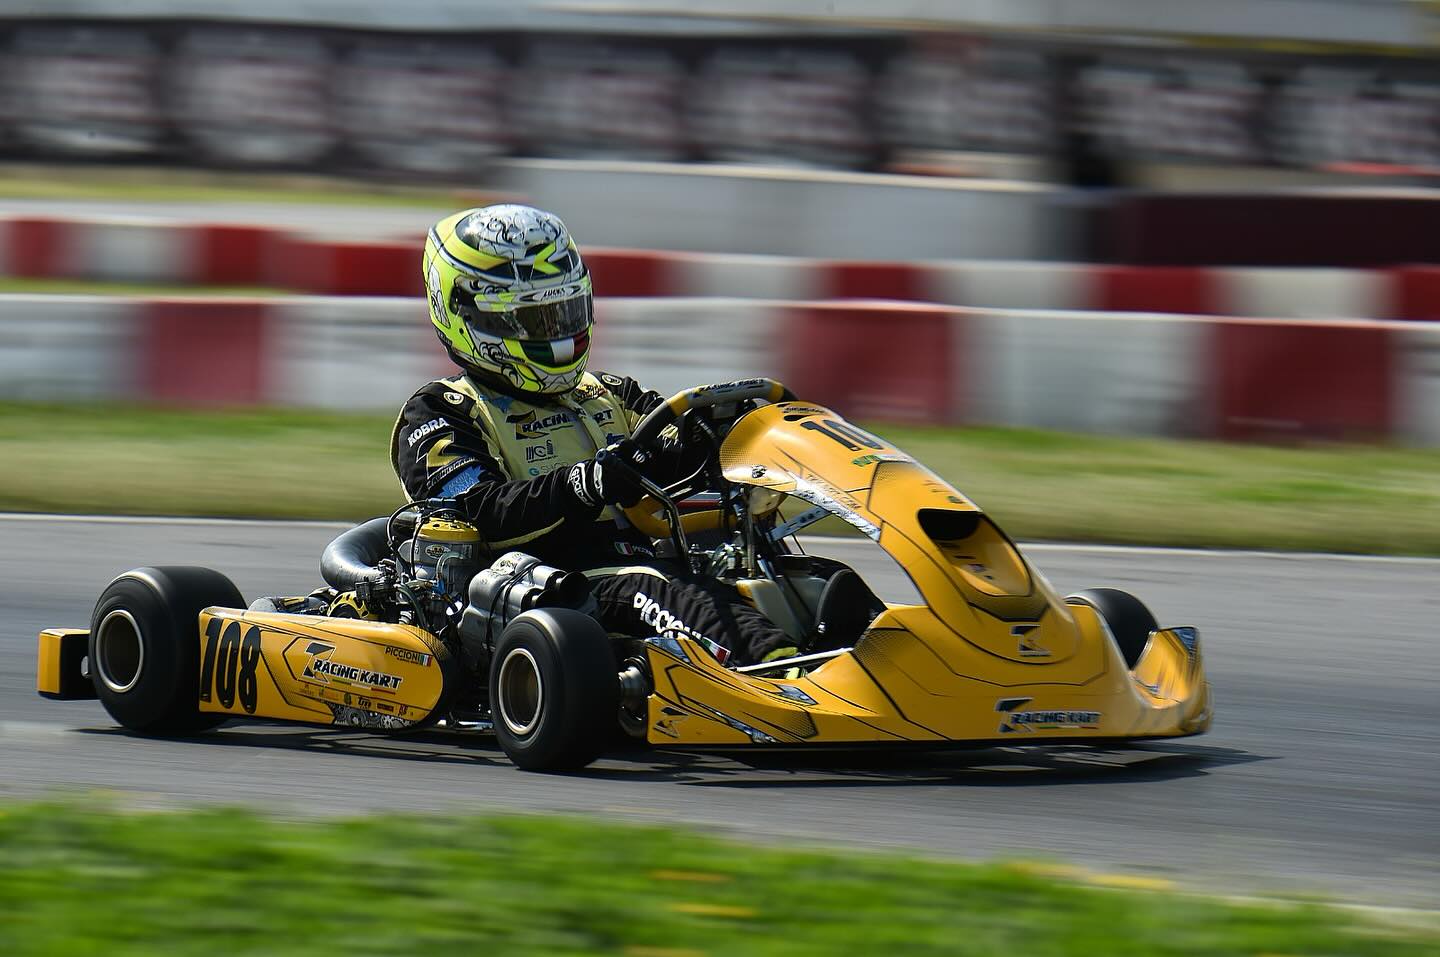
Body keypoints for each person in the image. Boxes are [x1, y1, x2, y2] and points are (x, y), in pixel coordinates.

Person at [392, 204, 791, 666]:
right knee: (664, 589)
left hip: (653, 558)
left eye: (565, 314)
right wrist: (586, 483)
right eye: (536, 321)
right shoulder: (443, 411)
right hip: (549, 583)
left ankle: (875, 662)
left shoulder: (610, 394)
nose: (558, 335)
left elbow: (668, 452)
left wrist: (719, 434)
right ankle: (787, 675)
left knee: (803, 577)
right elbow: (479, 511)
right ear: (468, 316)